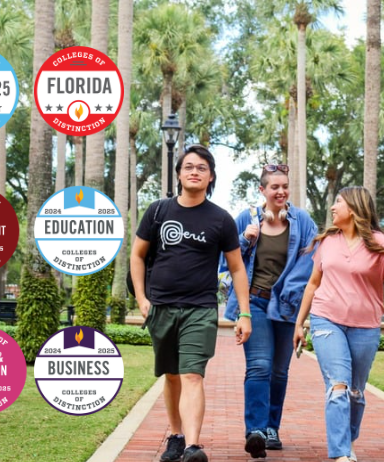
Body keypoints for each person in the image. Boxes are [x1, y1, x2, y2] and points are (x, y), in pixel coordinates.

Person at [130, 144, 251, 462]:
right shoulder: (158, 211)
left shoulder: (221, 219)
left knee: (192, 375)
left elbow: (237, 268)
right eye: (189, 167)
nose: (194, 171)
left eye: (201, 167)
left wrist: (245, 313)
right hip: (161, 308)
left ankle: (193, 447)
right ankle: (176, 436)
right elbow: (137, 255)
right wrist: (142, 299)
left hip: (200, 309)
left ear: (211, 176)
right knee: (171, 375)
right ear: (179, 174)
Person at [293, 186, 384, 462]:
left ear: (354, 208)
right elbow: (313, 283)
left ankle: (346, 441)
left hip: (365, 326)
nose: (333, 207)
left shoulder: (377, 241)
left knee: (355, 392)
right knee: (338, 385)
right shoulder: (328, 242)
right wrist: (299, 323)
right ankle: (340, 454)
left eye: (338, 201)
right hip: (327, 319)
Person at [221, 163, 317, 459]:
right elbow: (226, 262)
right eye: (274, 187)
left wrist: (293, 297)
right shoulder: (245, 219)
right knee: (260, 366)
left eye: (285, 186)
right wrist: (244, 240)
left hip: (287, 305)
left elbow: (311, 261)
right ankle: (256, 431)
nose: (281, 191)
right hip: (256, 303)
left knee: (279, 371)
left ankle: (272, 427)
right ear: (261, 190)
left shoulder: (302, 221)